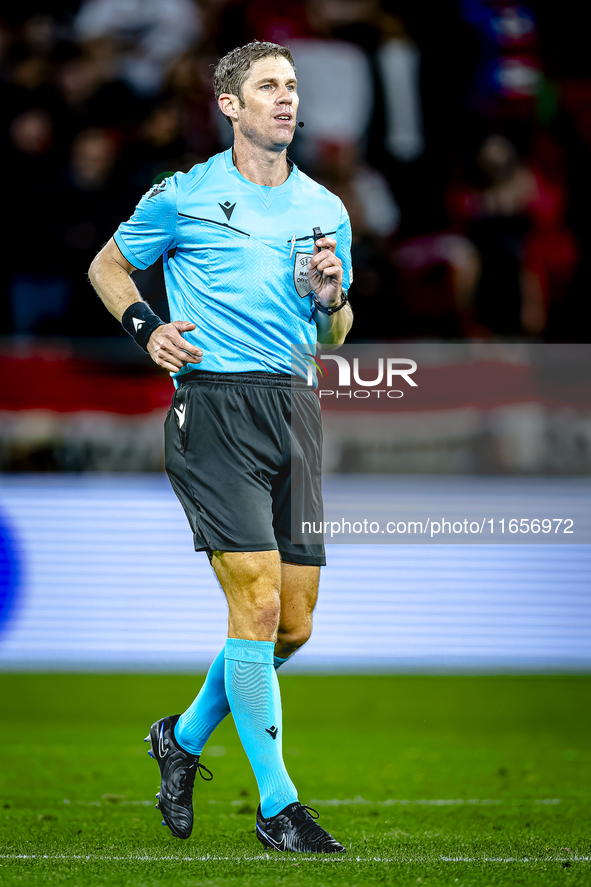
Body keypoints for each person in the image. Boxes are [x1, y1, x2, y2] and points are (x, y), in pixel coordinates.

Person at [88, 41, 353, 854]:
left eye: (292, 85)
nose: (285, 97)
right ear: (230, 105)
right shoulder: (185, 195)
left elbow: (337, 332)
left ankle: (181, 737)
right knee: (258, 602)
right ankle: (280, 807)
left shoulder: (325, 209)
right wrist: (147, 327)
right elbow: (108, 266)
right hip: (212, 407)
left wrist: (329, 296)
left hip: (293, 406)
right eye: (267, 86)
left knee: (293, 626)